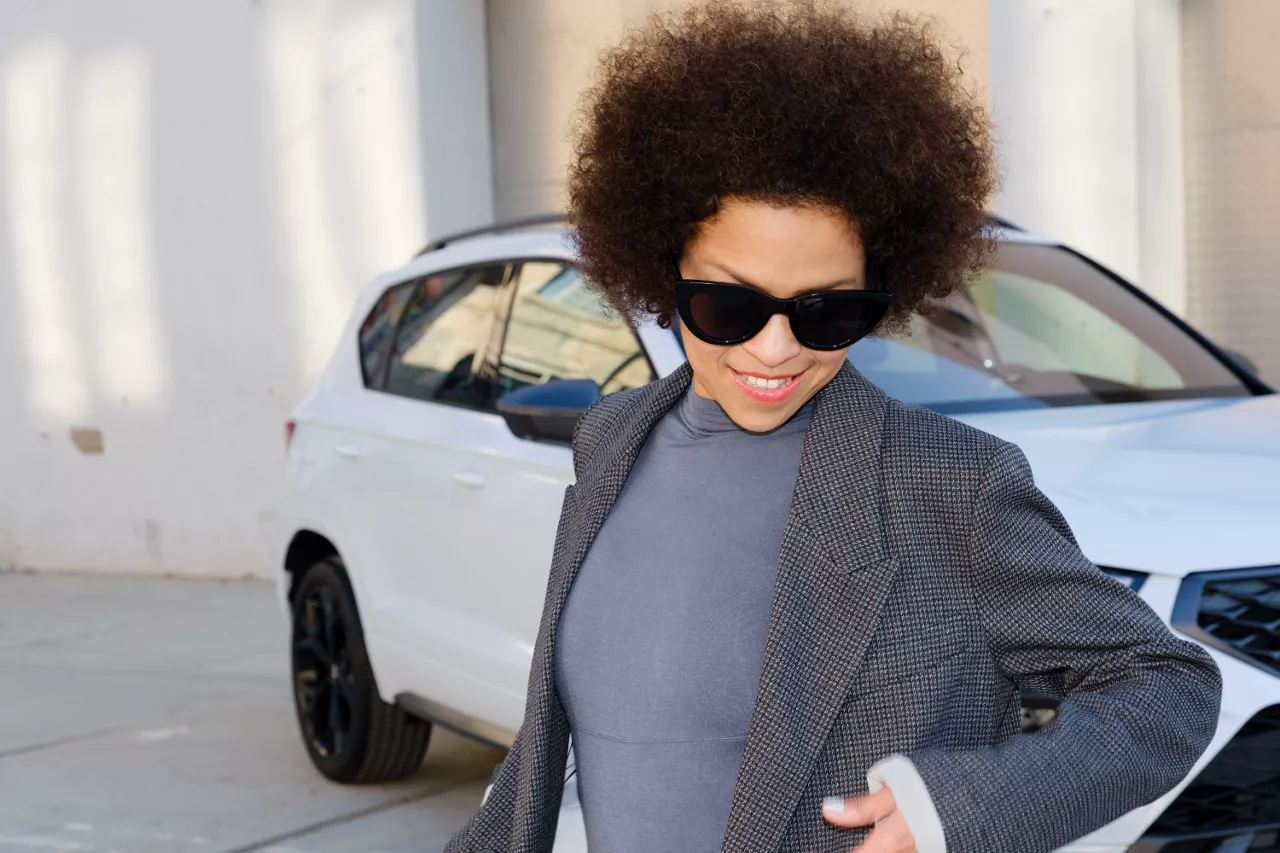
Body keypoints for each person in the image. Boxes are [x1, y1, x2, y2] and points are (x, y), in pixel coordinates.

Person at [446, 3, 1221, 852]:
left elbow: (1166, 685)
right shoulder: (613, 438)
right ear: (663, 267)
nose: (775, 349)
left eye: (826, 312)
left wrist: (954, 808)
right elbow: (561, 743)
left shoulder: (949, 483)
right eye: (729, 305)